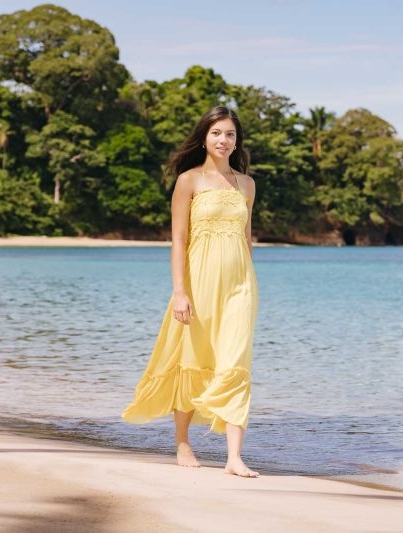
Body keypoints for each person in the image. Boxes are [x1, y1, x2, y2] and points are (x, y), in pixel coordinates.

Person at [121, 106, 260, 478]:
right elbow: (178, 240)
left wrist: (250, 285)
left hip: (239, 286)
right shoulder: (189, 181)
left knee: (235, 364)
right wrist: (179, 292)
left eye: (230, 134)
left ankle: (234, 457)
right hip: (197, 284)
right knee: (191, 357)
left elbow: (246, 241)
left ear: (236, 141)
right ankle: (183, 442)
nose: (223, 140)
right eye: (217, 133)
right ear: (204, 138)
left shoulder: (246, 185)